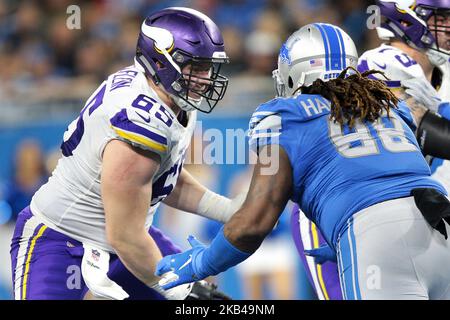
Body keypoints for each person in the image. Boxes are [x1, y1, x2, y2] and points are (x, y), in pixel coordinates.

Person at [156, 22, 450, 300]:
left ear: (296, 73)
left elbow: (255, 222)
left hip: (374, 236)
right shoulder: (389, 106)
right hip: (441, 226)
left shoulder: (285, 115)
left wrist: (202, 263)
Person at [10, 7, 243, 300]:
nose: (204, 78)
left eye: (207, 66)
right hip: (63, 238)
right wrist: (178, 289)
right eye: (194, 66)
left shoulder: (168, 94)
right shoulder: (140, 118)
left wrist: (228, 210)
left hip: (128, 238)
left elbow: (163, 178)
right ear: (160, 60)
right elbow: (124, 235)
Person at [293, 0, 450, 300]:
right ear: (407, 22)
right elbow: (423, 133)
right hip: (345, 207)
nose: (448, 27)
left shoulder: (439, 73)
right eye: (441, 18)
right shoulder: (383, 63)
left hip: (403, 217)